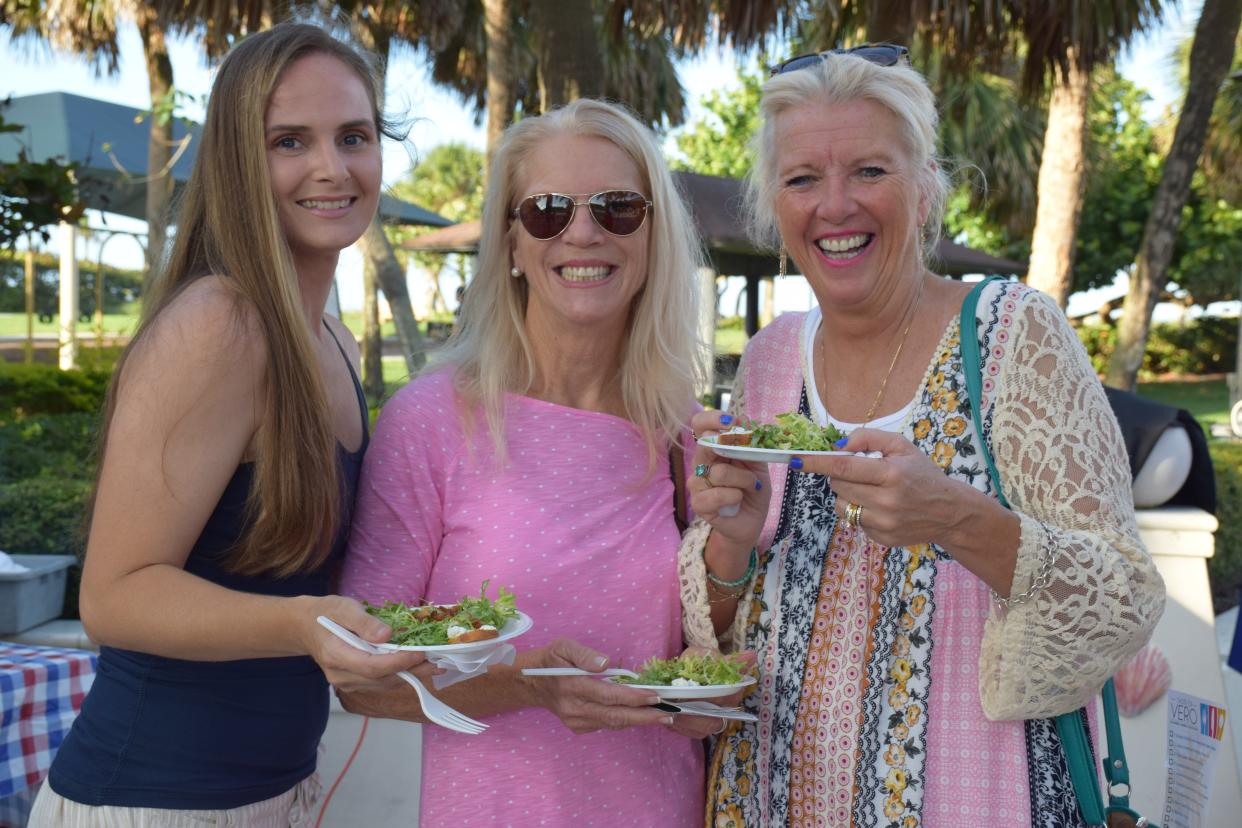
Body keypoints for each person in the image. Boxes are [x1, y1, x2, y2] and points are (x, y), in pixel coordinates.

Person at [681, 45, 1167, 826]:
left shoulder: (1012, 334)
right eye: (803, 178)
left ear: (927, 182)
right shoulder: (772, 360)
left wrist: (954, 517)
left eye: (870, 171)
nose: (834, 205)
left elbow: (1121, 598)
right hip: (774, 797)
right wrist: (730, 547)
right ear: (774, 202)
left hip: (979, 801)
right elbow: (723, 629)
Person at [29, 22, 433, 825]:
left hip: (270, 794)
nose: (331, 167)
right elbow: (113, 598)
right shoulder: (220, 324)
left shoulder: (330, 342)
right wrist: (300, 623)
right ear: (240, 163)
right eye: (290, 141)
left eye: (353, 136)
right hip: (150, 800)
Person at [338, 97, 722, 826]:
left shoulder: (685, 436)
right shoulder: (433, 420)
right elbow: (361, 681)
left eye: (617, 208)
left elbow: (711, 660)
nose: (582, 231)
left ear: (653, 237)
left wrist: (705, 698)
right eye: (547, 210)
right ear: (511, 244)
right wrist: (528, 686)